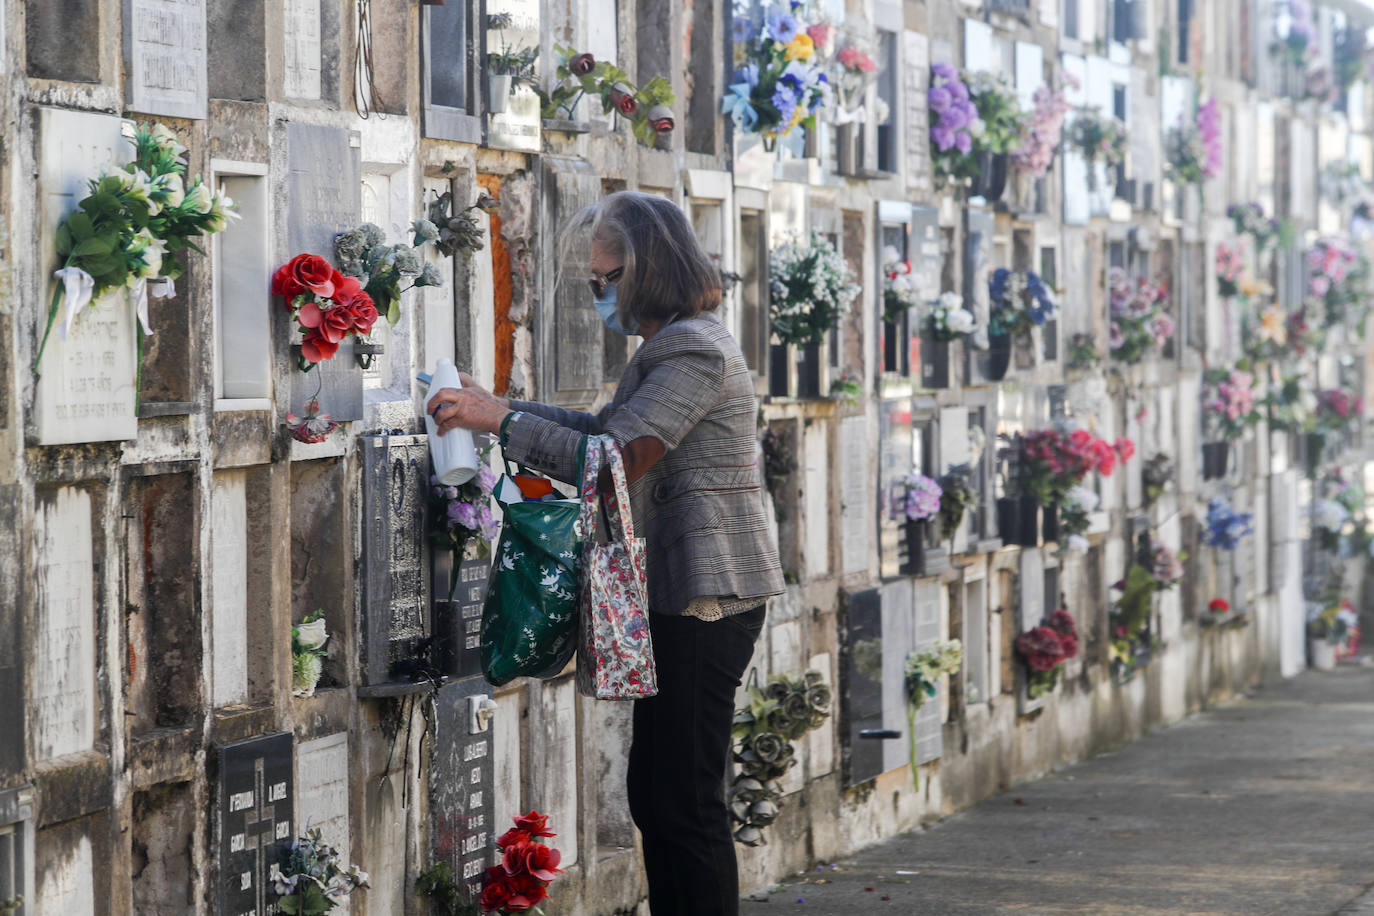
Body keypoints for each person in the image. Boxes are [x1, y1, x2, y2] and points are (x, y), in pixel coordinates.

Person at [427, 190, 785, 915]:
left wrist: (499, 418)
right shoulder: (671, 345)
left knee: (684, 802)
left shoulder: (691, 347)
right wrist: (499, 408)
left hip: (705, 596)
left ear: (647, 269)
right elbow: (600, 426)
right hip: (683, 595)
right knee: (660, 793)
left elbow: (616, 458)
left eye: (604, 279)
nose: (599, 295)